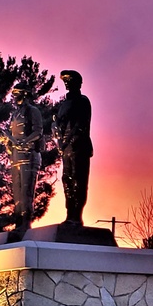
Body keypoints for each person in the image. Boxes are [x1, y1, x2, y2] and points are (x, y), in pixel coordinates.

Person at [53, 70, 92, 226]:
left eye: (70, 80)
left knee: (78, 181)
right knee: (67, 180)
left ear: (78, 83)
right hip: (66, 148)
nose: (66, 83)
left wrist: (66, 140)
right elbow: (59, 125)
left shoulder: (82, 101)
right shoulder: (64, 104)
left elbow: (81, 125)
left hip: (78, 146)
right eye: (65, 81)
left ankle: (77, 216)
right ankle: (70, 213)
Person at [3, 85, 43, 231]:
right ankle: (19, 221)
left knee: (27, 192)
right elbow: (12, 135)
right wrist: (8, 142)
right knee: (17, 193)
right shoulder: (14, 114)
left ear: (25, 94)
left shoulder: (33, 111)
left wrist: (25, 141)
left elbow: (38, 131)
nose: (14, 96)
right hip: (15, 157)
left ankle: (25, 223)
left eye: (17, 93)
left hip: (29, 156)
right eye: (13, 93)